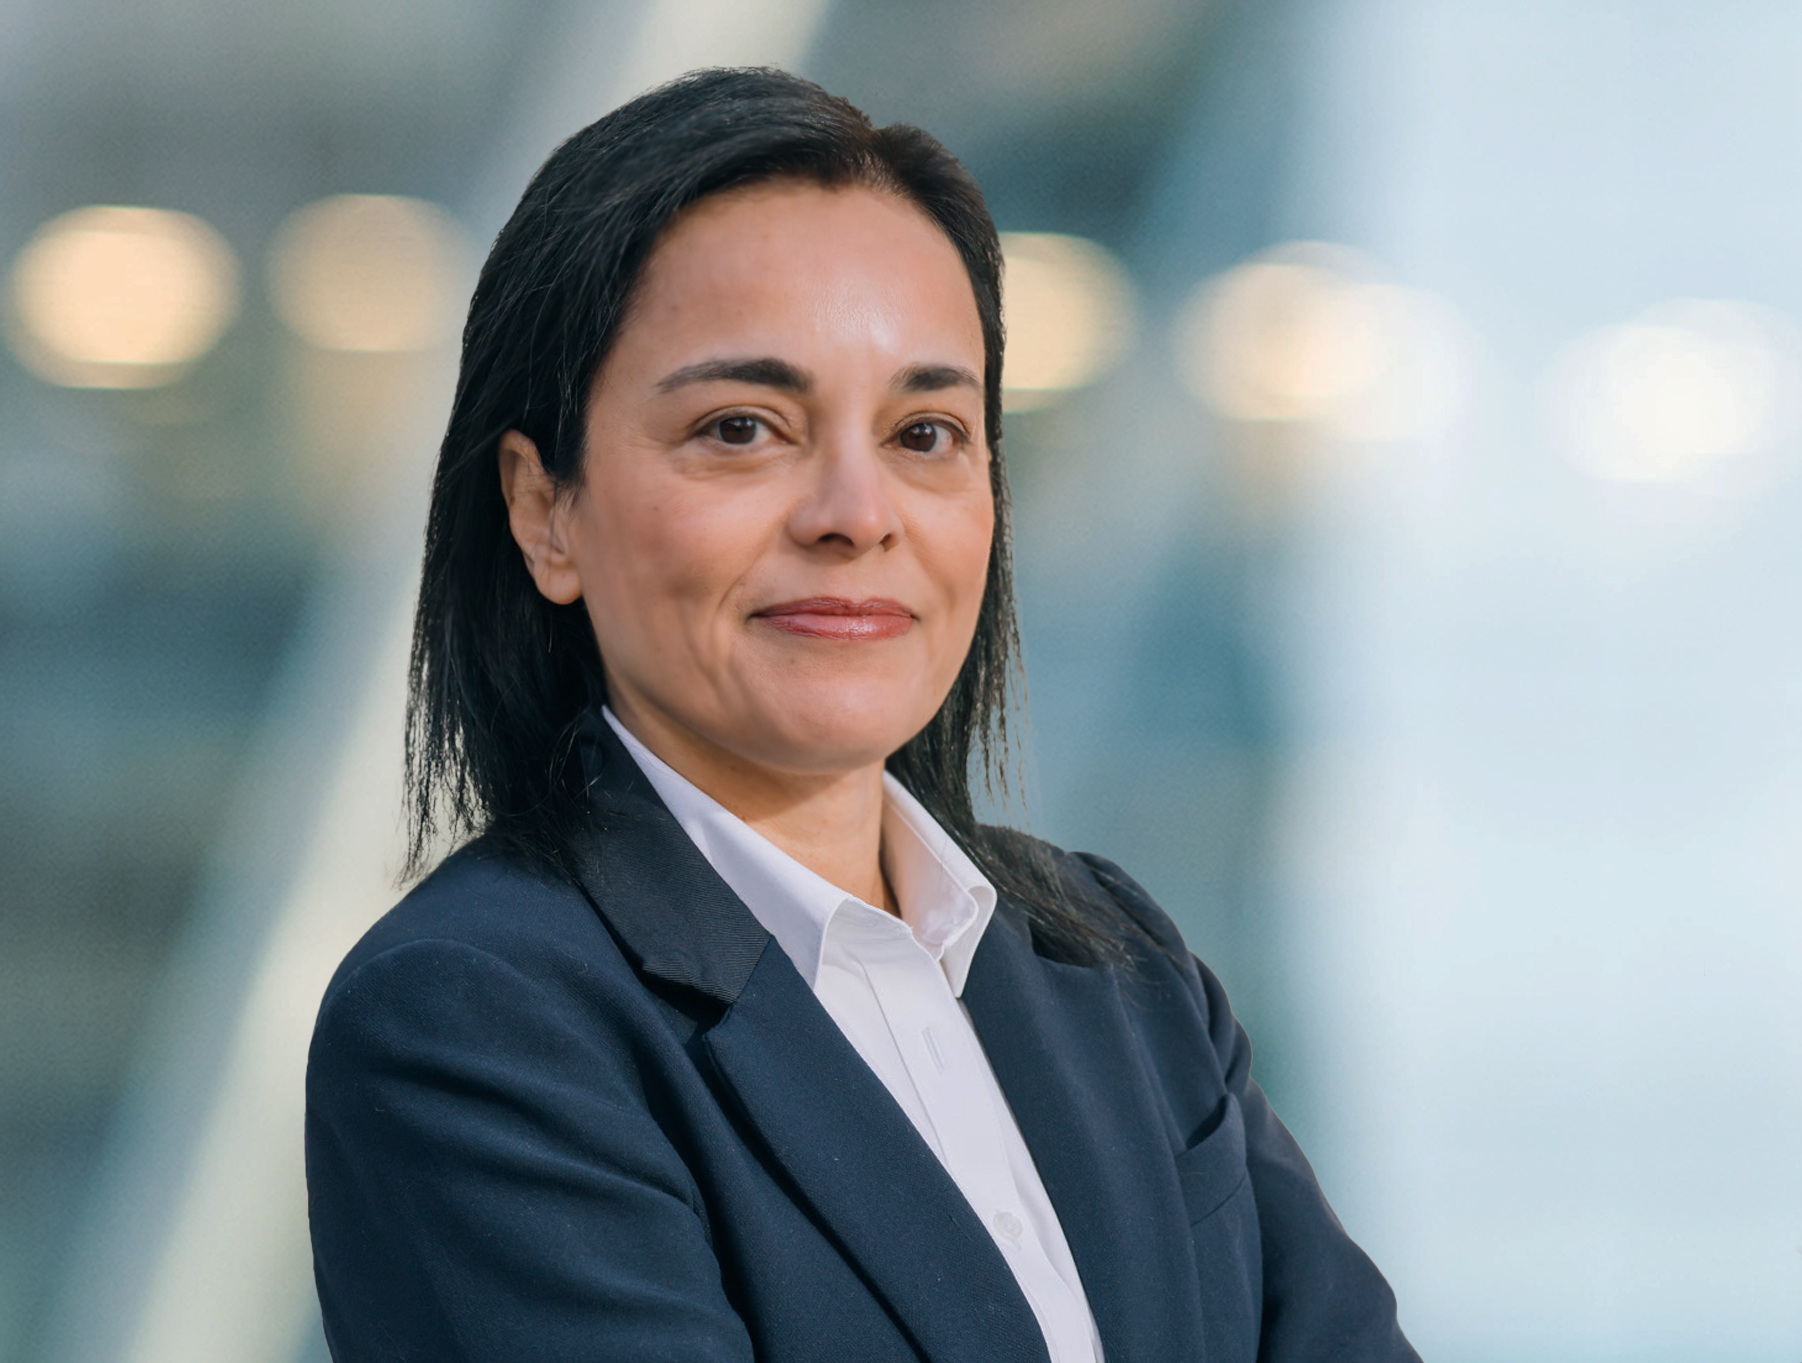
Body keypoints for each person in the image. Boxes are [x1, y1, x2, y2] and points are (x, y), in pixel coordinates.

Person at [305, 67, 1419, 1363]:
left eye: (927, 431)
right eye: (742, 427)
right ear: (545, 508)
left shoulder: (1118, 971)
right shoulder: (474, 1021)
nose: (855, 511)